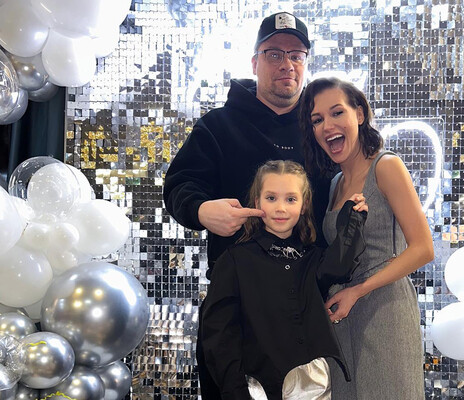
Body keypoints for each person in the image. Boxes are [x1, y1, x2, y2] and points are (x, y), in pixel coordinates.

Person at [162, 12, 332, 399]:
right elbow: (179, 185)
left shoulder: (321, 130)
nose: (287, 64)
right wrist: (203, 211)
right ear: (255, 62)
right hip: (237, 311)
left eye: (297, 55)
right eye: (274, 54)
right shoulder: (218, 126)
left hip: (308, 309)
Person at [298, 77, 434, 399]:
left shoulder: (386, 166)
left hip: (385, 310)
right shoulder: (335, 184)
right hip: (342, 316)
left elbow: (423, 249)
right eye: (317, 120)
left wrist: (358, 291)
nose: (327, 125)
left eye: (337, 112)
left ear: (359, 114)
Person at [201, 160, 368, 400]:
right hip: (256, 386)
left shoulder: (313, 258)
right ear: (257, 202)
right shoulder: (234, 261)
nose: (280, 208)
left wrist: (353, 219)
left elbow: (340, 266)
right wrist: (236, 392)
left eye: (290, 199)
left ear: (304, 205)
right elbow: (219, 336)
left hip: (312, 386)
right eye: (271, 198)